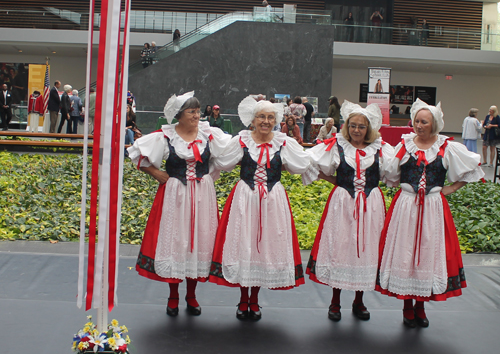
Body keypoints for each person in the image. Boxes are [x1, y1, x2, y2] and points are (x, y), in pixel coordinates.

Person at [376, 99, 484, 328]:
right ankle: (407, 305)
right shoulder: (405, 145)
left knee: (428, 253)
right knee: (404, 251)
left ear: (434, 124)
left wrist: (450, 188)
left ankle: (421, 306)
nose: (419, 125)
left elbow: (471, 169)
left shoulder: (446, 147)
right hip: (406, 206)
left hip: (433, 207)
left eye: (424, 122)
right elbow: (390, 174)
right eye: (416, 121)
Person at [128, 91, 231, 317]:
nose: (196, 115)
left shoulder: (209, 134)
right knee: (176, 241)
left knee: (198, 241)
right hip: (175, 194)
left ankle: (191, 295)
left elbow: (228, 156)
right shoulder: (165, 136)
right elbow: (138, 154)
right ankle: (173, 295)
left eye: (197, 111)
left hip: (202, 194)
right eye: (191, 112)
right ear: (179, 115)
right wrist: (158, 173)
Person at [209, 96, 310, 321]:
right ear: (252, 120)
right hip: (246, 196)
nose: (266, 121)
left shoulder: (283, 142)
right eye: (261, 117)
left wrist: (283, 162)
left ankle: (254, 300)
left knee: (264, 247)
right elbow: (223, 162)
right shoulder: (242, 141)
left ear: (276, 120)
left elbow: (300, 165)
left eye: (270, 117)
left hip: (273, 199)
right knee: (244, 243)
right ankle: (243, 298)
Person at [303, 102, 394, 321]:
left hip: (370, 204)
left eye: (361, 127)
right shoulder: (337, 145)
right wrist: (333, 180)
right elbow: (309, 161)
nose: (356, 130)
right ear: (346, 126)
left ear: (368, 129)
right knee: (341, 248)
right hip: (343, 202)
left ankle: (359, 300)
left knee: (365, 249)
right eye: (352, 125)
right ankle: (335, 301)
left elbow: (393, 172)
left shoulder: (380, 148)